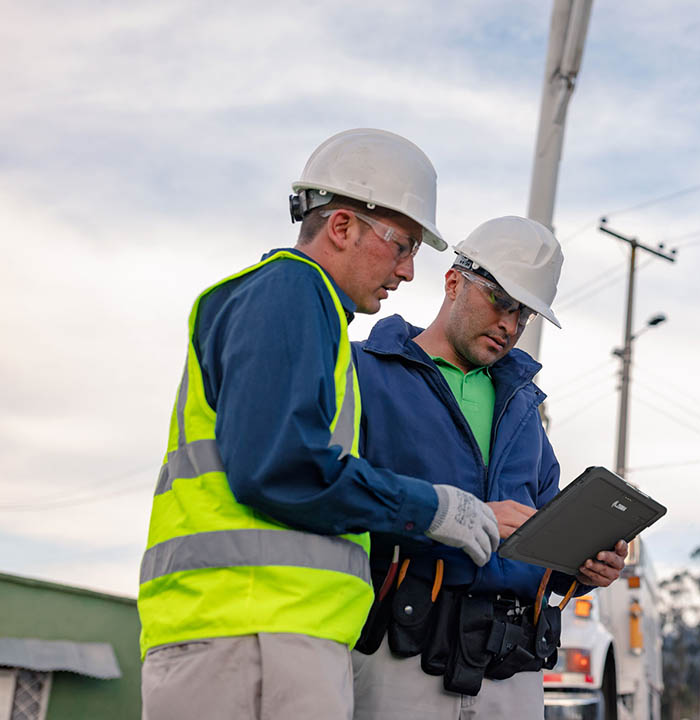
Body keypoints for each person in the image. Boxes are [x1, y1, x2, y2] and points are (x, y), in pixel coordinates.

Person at [137, 128, 503, 720]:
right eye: (403, 245)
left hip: (257, 634)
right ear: (341, 227)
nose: (408, 271)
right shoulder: (291, 291)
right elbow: (281, 466)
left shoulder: (305, 310)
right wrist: (431, 507)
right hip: (254, 636)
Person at [349, 216, 627, 720]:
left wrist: (584, 569)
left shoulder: (524, 406)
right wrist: (459, 516)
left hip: (512, 669)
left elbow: (543, 533)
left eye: (525, 315)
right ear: (454, 281)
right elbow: (340, 496)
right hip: (399, 655)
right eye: (501, 301)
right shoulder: (364, 374)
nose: (510, 325)